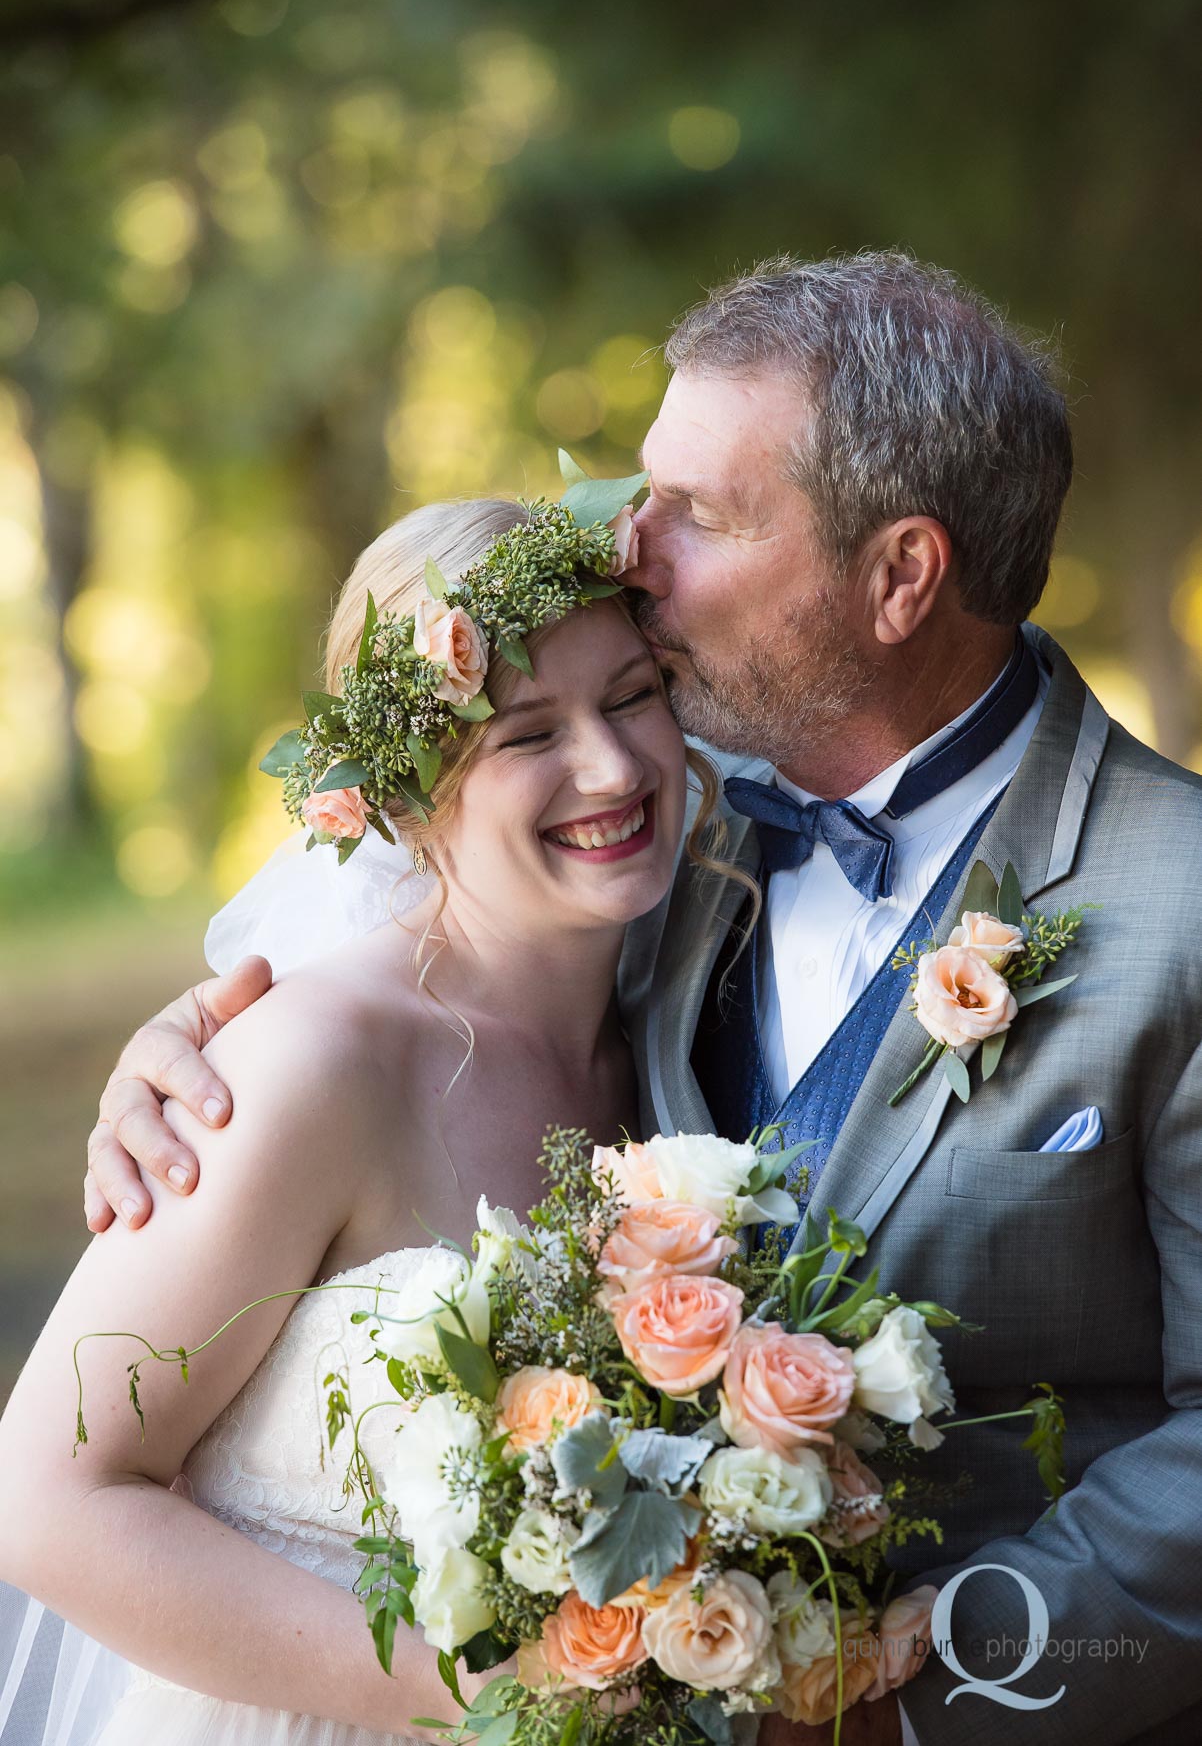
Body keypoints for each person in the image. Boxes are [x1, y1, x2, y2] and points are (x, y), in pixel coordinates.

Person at [86, 252, 1202, 1746]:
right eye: (642, 487)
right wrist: (186, 1059)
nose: (630, 549)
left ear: (898, 576)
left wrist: (903, 1707)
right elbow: (438, 898)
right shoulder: (663, 814)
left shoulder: (1175, 905)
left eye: (699, 514)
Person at [0, 494, 736, 1743]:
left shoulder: (682, 1015)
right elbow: (44, 1500)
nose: (611, 768)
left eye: (629, 697)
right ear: (405, 797)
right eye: (522, 733)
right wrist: (468, 1693)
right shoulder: (306, 1069)